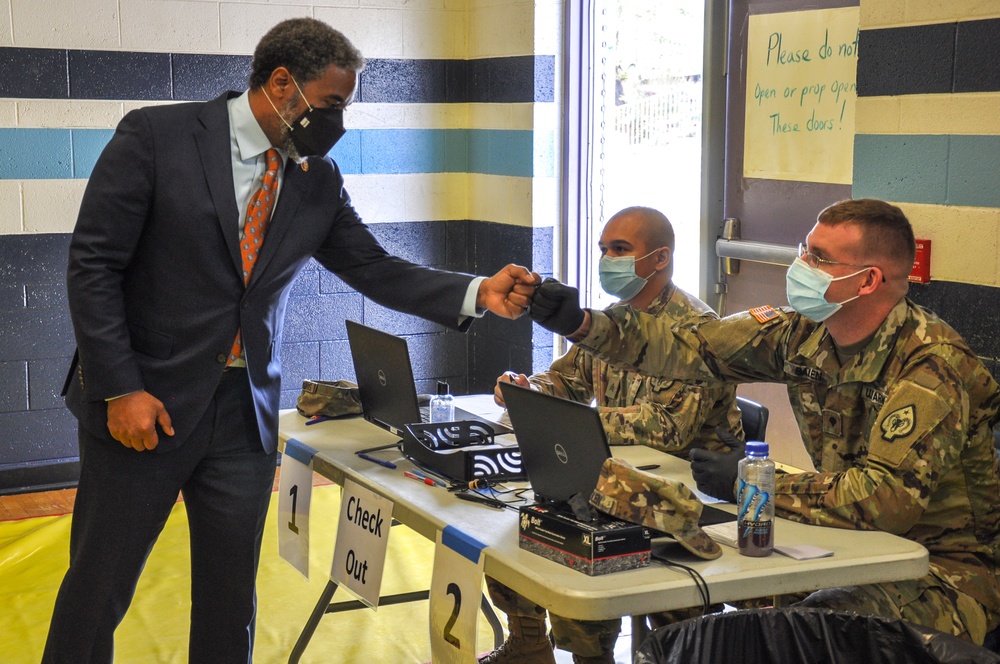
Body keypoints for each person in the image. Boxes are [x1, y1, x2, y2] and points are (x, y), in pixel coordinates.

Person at [43, 18, 538, 664]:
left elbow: (374, 268)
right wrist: (120, 388)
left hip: (242, 415)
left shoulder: (316, 179)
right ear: (282, 84)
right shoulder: (155, 137)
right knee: (98, 591)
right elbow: (93, 265)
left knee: (230, 602)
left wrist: (478, 292)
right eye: (332, 103)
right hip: (144, 409)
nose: (338, 121)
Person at [528, 198, 1000, 645]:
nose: (800, 267)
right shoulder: (803, 332)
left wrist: (755, 485)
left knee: (811, 629)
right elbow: (695, 346)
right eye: (804, 250)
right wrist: (583, 323)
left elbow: (884, 500)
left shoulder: (931, 367)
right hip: (848, 543)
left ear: (868, 280)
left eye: (818, 257)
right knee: (678, 561)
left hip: (945, 573)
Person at [480, 207, 744, 664]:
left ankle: (594, 657)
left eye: (620, 249)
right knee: (523, 526)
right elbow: (567, 379)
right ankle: (530, 645)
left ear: (659, 259)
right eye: (604, 249)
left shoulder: (697, 332)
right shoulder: (612, 322)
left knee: (582, 540)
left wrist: (576, 424)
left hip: (687, 497)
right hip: (621, 479)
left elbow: (667, 429)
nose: (608, 258)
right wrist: (530, 390)